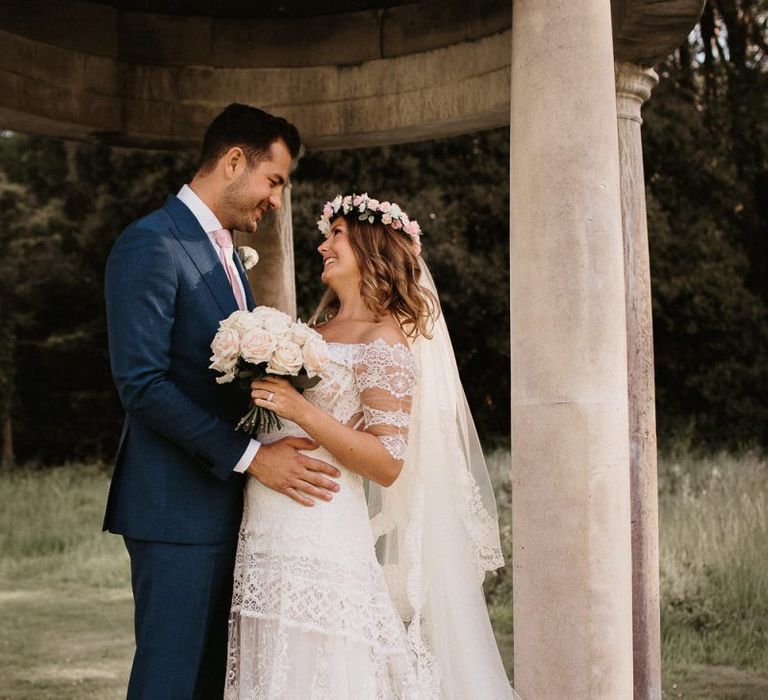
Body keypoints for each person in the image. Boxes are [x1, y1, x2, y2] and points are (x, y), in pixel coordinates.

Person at [226, 194, 518, 698]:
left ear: (371, 246)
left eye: (335, 235)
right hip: (267, 527)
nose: (322, 246)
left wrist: (301, 411)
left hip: (321, 530)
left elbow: (386, 464)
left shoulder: (384, 343)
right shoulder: (309, 333)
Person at [103, 103, 341, 699]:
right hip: (175, 511)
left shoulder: (228, 252)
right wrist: (254, 459)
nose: (277, 201)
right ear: (234, 161)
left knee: (213, 686)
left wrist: (272, 431)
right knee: (170, 683)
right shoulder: (152, 243)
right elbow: (143, 384)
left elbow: (215, 383)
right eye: (274, 181)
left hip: (225, 507)